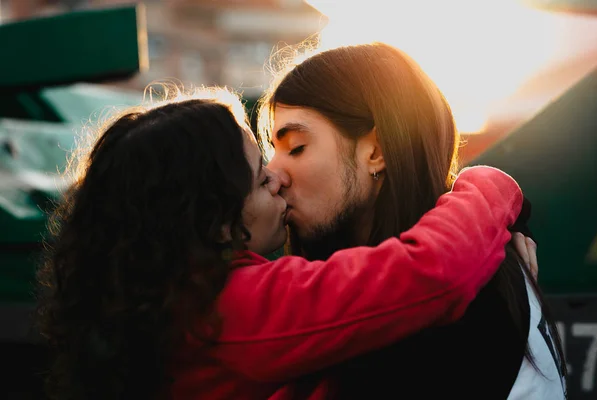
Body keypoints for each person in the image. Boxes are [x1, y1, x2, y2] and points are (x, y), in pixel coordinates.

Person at [35, 87, 526, 400]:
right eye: (258, 177)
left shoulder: (168, 303)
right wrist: (489, 184)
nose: (278, 178)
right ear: (213, 219)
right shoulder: (233, 307)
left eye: (291, 150)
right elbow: (434, 270)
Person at [258, 42, 567, 399]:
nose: (274, 174)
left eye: (296, 147)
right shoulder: (473, 265)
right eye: (271, 151)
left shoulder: (440, 306)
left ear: (376, 151)